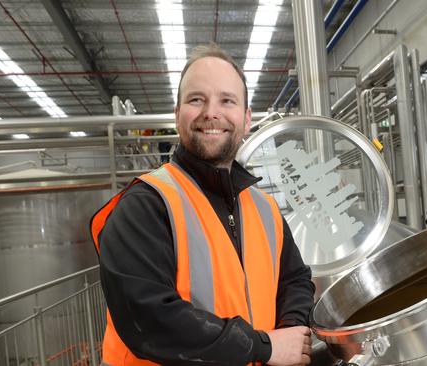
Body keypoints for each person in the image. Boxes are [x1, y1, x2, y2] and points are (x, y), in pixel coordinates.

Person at [91, 43, 315, 366]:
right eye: (197, 99)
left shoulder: (264, 208)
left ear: (246, 119)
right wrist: (263, 347)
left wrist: (292, 333)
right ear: (177, 114)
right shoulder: (145, 205)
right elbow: (149, 318)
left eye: (227, 100)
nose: (212, 112)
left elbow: (294, 279)